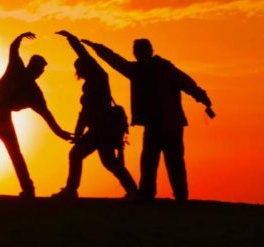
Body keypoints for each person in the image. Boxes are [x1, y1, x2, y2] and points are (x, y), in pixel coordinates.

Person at [81, 37, 214, 202]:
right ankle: (159, 195)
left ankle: (169, 195)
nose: (138, 55)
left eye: (139, 51)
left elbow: (187, 84)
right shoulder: (148, 69)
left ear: (149, 51)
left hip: (167, 123)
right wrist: (97, 47)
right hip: (160, 123)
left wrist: (202, 97)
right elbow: (115, 60)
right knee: (156, 161)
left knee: (164, 161)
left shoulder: (155, 69)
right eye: (137, 52)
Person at [0, 32, 73, 197]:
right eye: (39, 69)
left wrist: (60, 132)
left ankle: (27, 188)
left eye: (41, 70)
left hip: (0, 118)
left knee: (13, 153)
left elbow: (46, 115)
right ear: (32, 66)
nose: (40, 73)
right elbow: (13, 48)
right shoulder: (16, 69)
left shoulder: (34, 93)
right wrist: (20, 37)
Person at [50, 31, 137, 199]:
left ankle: (71, 190)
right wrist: (78, 132)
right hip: (100, 129)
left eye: (79, 68)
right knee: (108, 162)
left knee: (79, 155)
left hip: (101, 128)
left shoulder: (99, 77)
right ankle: (133, 191)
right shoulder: (92, 82)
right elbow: (84, 113)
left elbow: (84, 55)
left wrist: (72, 39)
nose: (78, 72)